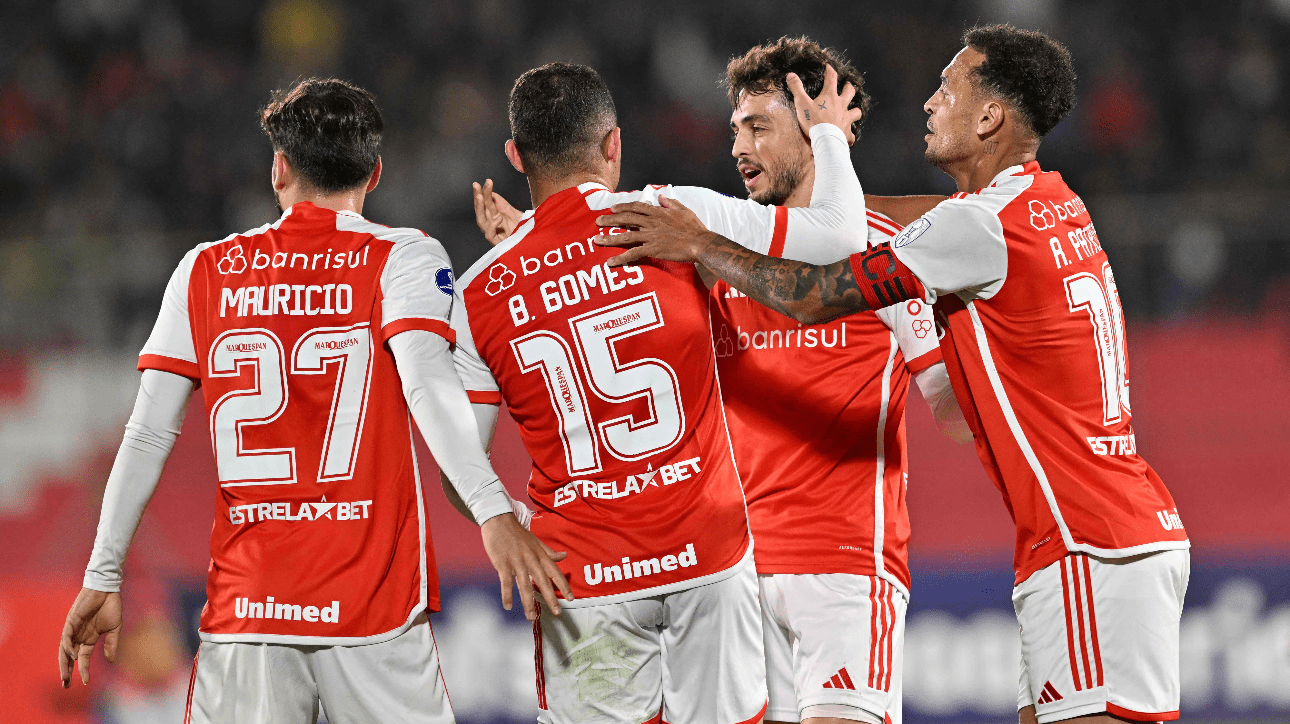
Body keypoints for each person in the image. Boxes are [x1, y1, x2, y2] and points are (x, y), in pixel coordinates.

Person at [596, 25, 1190, 724]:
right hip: (1068, 536)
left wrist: (705, 236)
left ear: (990, 116)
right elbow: (894, 230)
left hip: (1076, 540)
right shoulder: (1045, 205)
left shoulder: (975, 231)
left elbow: (824, 284)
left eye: (948, 90)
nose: (930, 105)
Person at [474, 38, 969, 724]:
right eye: (736, 128)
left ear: (823, 129)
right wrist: (530, 239)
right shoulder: (699, 243)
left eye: (760, 128)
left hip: (845, 562)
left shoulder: (885, 247)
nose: (741, 146)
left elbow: (950, 403)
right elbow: (591, 266)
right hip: (729, 567)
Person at [57, 78, 570, 724]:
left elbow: (147, 433)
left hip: (247, 622)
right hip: (372, 615)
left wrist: (103, 573)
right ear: (375, 172)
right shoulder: (402, 257)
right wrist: (492, 511)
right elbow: (426, 385)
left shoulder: (203, 269)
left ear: (278, 169)